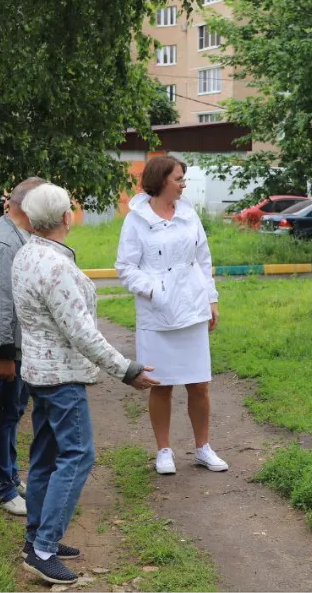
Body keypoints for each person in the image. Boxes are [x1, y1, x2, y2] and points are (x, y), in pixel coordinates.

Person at [13, 183, 159, 585]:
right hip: (60, 378)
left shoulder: (27, 253)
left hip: (39, 375)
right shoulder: (55, 266)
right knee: (78, 455)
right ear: (66, 217)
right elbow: (82, 334)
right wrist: (127, 370)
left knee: (45, 456)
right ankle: (43, 549)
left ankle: (36, 540)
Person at [115, 155, 228, 476]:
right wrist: (155, 290)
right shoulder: (136, 220)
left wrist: (211, 299)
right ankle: (163, 451)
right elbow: (125, 268)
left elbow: (203, 260)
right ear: (161, 180)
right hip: (157, 316)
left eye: (183, 179)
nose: (183, 184)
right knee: (161, 385)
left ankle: (203, 448)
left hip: (192, 309)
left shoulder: (189, 214)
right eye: (178, 178)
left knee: (200, 384)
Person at [0, 177, 44, 516]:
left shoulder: (17, 234)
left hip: (16, 347)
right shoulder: (4, 243)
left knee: (12, 414)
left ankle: (9, 476)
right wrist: (3, 354)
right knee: (1, 415)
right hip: (7, 350)